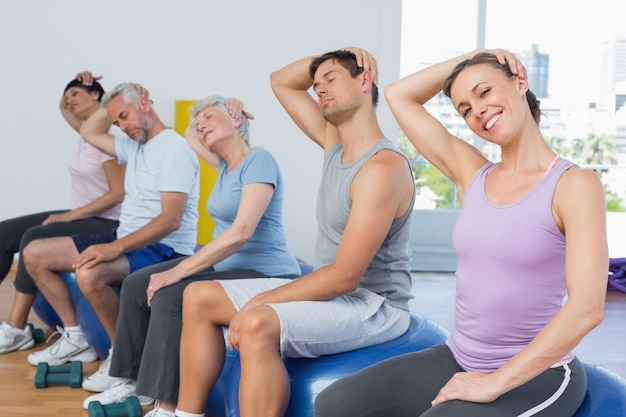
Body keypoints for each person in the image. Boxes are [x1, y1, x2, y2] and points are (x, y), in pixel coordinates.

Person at [313, 50, 609, 417]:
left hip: (539, 375)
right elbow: (399, 95)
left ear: (520, 82)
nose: (477, 110)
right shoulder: (473, 173)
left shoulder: (573, 184)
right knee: (334, 404)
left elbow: (587, 308)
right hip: (458, 356)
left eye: (484, 92)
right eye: (465, 108)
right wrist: (474, 56)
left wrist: (493, 382)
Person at [173, 47, 416, 417]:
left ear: (365, 79)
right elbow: (281, 81)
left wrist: (259, 302)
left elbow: (345, 277)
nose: (319, 89)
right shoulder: (334, 144)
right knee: (197, 296)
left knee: (257, 322)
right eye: (316, 85)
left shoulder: (382, 167)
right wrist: (338, 53)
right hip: (334, 293)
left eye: (331, 80)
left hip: (374, 305)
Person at [81, 95, 302, 416]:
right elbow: (187, 132)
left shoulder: (259, 160)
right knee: (136, 283)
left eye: (210, 118)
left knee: (171, 295)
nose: (201, 126)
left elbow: (241, 232)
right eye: (201, 124)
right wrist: (213, 110)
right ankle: (132, 380)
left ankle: (167, 406)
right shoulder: (225, 165)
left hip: (263, 271)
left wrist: (177, 272)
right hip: (227, 266)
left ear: (236, 121)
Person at [22, 78, 199, 379]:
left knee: (89, 273)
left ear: (144, 104)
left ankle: (122, 359)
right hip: (126, 237)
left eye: (125, 116)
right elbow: (89, 130)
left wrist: (113, 248)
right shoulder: (133, 146)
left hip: (164, 248)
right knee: (35, 253)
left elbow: (171, 219)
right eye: (117, 120)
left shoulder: (174, 149)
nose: (122, 126)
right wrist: (114, 102)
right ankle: (77, 337)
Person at [0, 75, 125, 355]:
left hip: (108, 221)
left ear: (96, 96)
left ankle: (17, 328)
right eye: (67, 96)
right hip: (81, 215)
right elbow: (62, 107)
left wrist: (70, 217)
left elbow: (118, 194)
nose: (69, 101)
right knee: (5, 231)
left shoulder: (108, 139)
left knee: (32, 237)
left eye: (76, 94)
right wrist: (76, 82)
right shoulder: (85, 132)